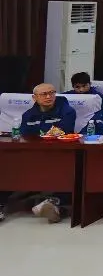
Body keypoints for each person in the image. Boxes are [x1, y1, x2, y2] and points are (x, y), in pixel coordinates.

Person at [0, 84, 75, 222]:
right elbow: (24, 136)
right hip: (32, 155)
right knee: (9, 167)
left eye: (52, 93)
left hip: (60, 154)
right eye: (44, 94)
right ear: (34, 98)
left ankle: (55, 203)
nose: (49, 96)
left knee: (69, 170)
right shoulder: (28, 115)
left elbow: (64, 130)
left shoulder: (67, 111)